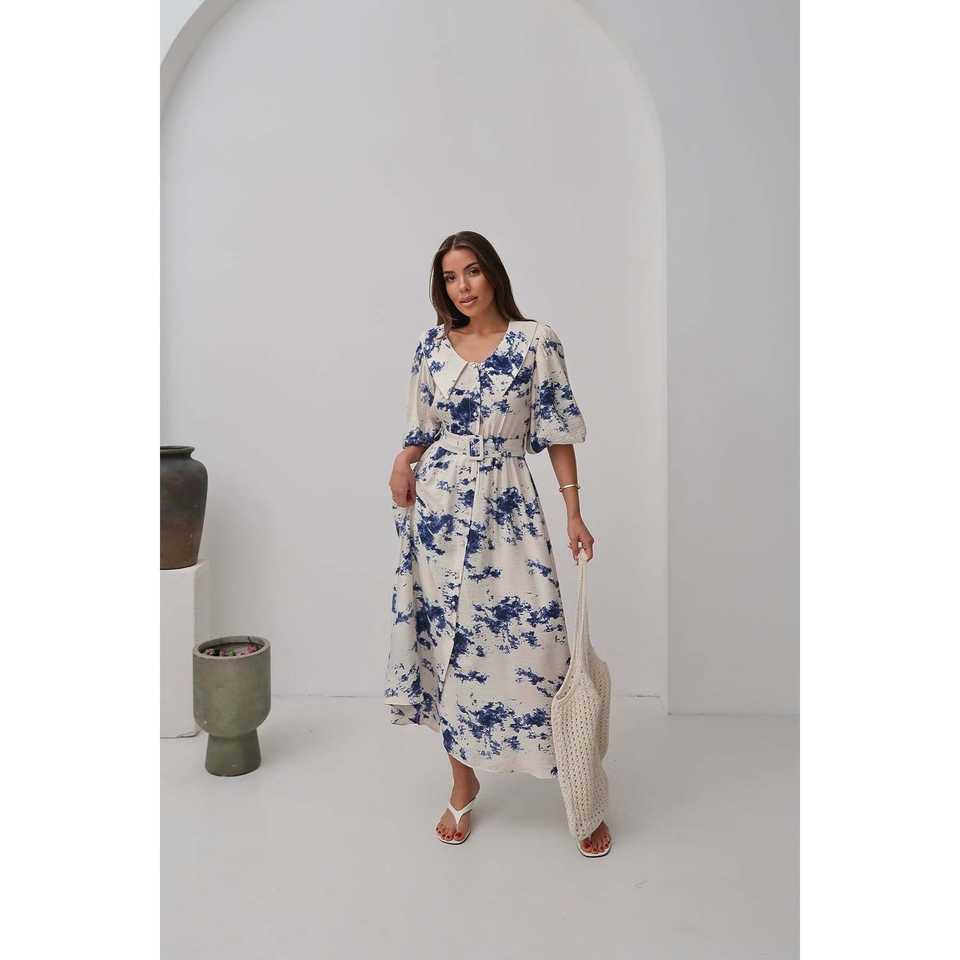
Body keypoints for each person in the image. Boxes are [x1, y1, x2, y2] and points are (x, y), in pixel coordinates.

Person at [384, 231, 612, 856]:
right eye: (450, 277)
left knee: (541, 649)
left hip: (509, 507)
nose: (462, 286)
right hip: (437, 514)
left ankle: (580, 788)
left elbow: (557, 430)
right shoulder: (432, 345)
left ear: (493, 275)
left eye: (472, 272)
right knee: (447, 649)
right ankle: (463, 784)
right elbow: (421, 426)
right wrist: (403, 461)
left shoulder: (536, 341)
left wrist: (574, 511)